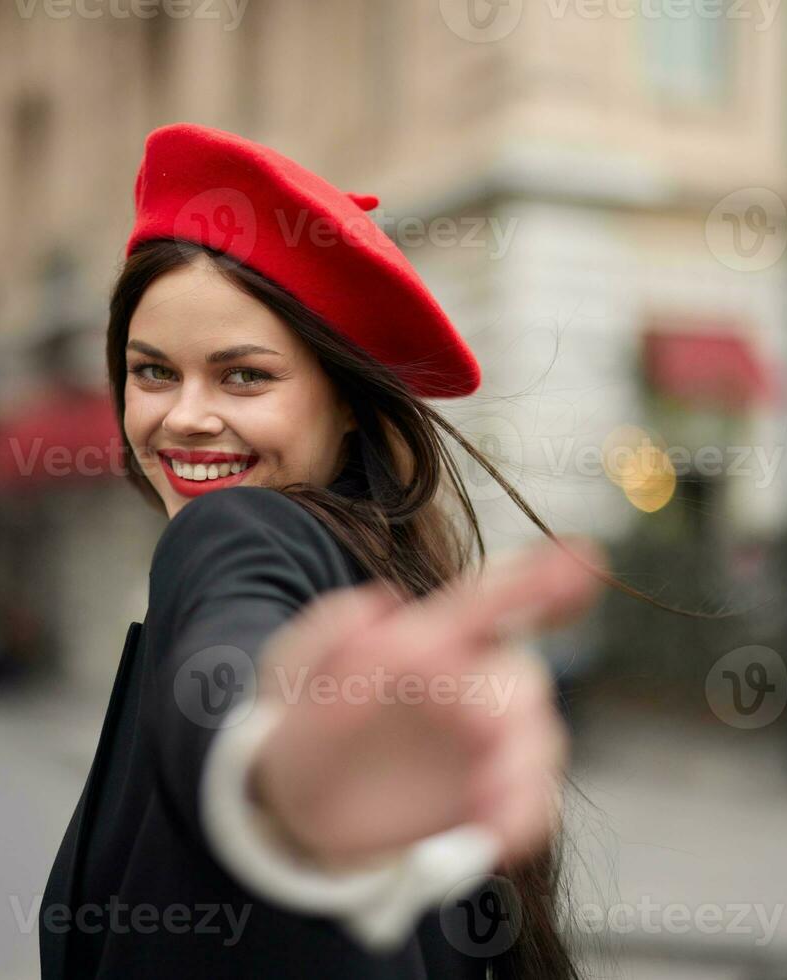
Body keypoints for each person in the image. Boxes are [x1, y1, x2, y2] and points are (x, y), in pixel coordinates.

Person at [40, 123, 609, 979]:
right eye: (153, 371)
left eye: (244, 376)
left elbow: (234, 653)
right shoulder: (391, 587)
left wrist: (264, 774)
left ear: (346, 403)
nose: (185, 414)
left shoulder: (230, 528)